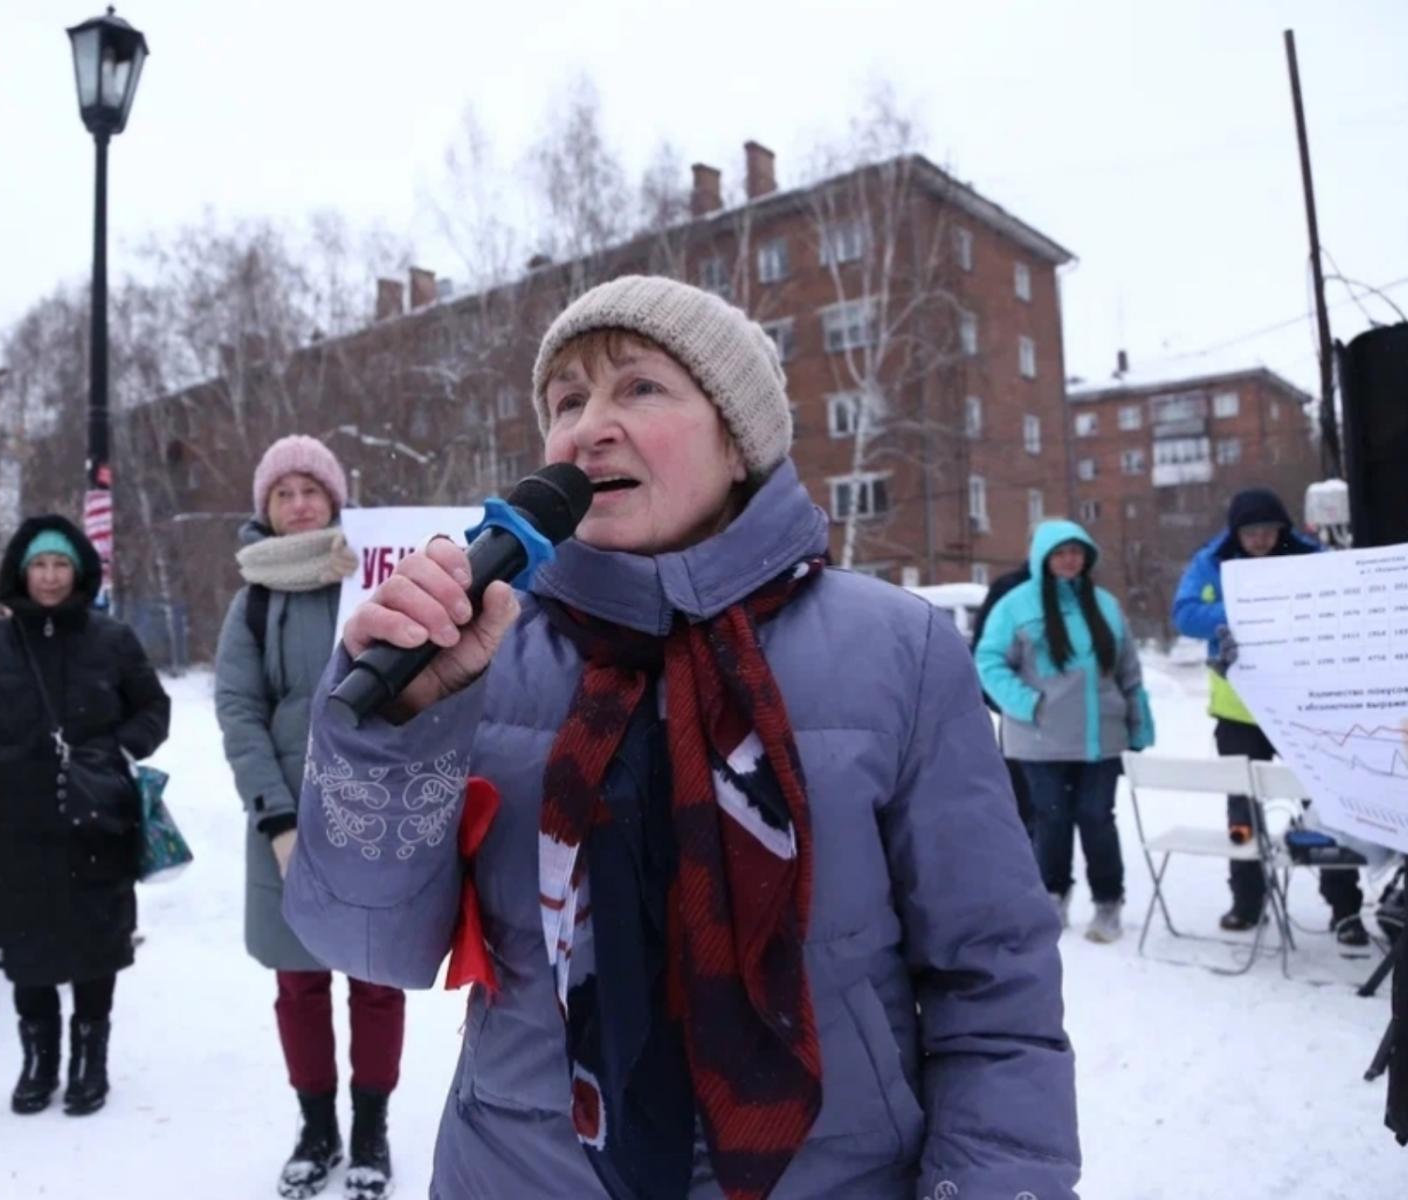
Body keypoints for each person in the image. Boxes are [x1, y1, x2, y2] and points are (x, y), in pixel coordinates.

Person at [283, 276, 1080, 1200]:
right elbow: (370, 943)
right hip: (526, 1172)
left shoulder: (900, 652)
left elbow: (991, 974)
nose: (589, 426)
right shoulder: (483, 651)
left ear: (737, 438)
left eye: (640, 388)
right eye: (567, 400)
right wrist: (398, 728)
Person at [214, 435, 403, 1200]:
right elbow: (238, 708)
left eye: (311, 489)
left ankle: (370, 1129)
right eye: (283, 492)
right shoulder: (253, 599)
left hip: (373, 810)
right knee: (300, 983)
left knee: (374, 978)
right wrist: (276, 818)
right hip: (284, 822)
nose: (298, 503)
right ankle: (316, 1125)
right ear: (265, 508)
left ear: (335, 500)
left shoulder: (376, 578)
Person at [0, 516, 169, 1117]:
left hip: (96, 822)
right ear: (21, 571)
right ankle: (38, 1059)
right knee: (26, 944)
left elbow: (153, 709)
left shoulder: (112, 640)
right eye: (38, 565)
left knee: (98, 942)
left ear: (78, 572)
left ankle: (90, 1059)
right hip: (12, 827)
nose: (48, 577)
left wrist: (118, 751)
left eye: (60, 565)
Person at [1170, 489, 1364, 943]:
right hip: (1239, 711)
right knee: (1242, 810)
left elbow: (1340, 605)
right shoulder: (1211, 562)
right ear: (1235, 533)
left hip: (1306, 706)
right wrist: (1241, 615)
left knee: (1323, 805)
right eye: (1250, 532)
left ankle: (1344, 908)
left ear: (1283, 529)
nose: (1259, 539)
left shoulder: (1312, 555)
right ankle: (1247, 900)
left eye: (1267, 531)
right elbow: (1185, 614)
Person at [975, 520, 1153, 944]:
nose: (1069, 559)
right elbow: (988, 661)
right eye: (1060, 552)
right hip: (1040, 739)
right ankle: (1052, 896)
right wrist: (1028, 704)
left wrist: (1139, 724)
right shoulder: (1016, 605)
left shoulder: (1106, 605)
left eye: (1077, 552)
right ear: (1043, 558)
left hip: (1101, 738)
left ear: (1087, 556)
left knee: (1097, 820)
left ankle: (1108, 903)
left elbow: (1128, 670)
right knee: (1050, 821)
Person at [972, 560, 1034, 833]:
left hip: (1072, 720)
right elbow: (986, 655)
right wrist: (1012, 703)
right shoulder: (1010, 589)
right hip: (1020, 714)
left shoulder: (1077, 589)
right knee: (1022, 797)